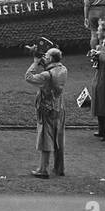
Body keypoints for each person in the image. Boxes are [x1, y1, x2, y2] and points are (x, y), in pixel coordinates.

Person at [24, 46, 67, 178]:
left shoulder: (46, 75)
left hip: (46, 108)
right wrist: (39, 55)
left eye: (47, 56)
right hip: (59, 107)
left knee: (45, 138)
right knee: (58, 138)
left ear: (51, 59)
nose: (45, 58)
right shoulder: (63, 69)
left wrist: (35, 62)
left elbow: (28, 77)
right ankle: (59, 168)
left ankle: (43, 169)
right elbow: (50, 65)